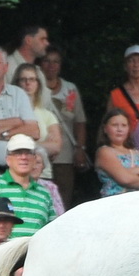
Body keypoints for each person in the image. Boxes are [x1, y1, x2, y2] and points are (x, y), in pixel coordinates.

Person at [0, 134, 55, 237]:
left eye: (28, 153)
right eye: (18, 153)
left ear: (35, 159)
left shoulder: (44, 193)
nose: (23, 157)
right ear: (8, 159)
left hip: (35, 252)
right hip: (1, 252)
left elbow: (52, 230)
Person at [37, 47, 89, 207]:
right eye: (47, 61)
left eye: (56, 61)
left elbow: (79, 121)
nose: (51, 65)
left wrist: (80, 149)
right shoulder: (34, 87)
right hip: (40, 152)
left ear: (60, 65)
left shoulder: (70, 89)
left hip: (65, 155)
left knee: (63, 199)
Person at [13, 62, 66, 184]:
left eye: (32, 79)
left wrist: (21, 146)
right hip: (16, 174)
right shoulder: (9, 113)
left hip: (43, 175)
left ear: (38, 84)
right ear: (16, 83)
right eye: (23, 79)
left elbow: (56, 146)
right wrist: (42, 145)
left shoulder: (47, 115)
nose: (28, 83)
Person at [93, 108, 139, 197]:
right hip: (116, 203)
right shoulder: (104, 152)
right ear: (105, 129)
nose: (119, 129)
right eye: (115, 125)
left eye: (124, 125)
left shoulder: (137, 153)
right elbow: (125, 179)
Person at [108, 45, 139, 124]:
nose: (136, 65)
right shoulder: (116, 95)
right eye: (131, 61)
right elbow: (107, 124)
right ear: (125, 66)